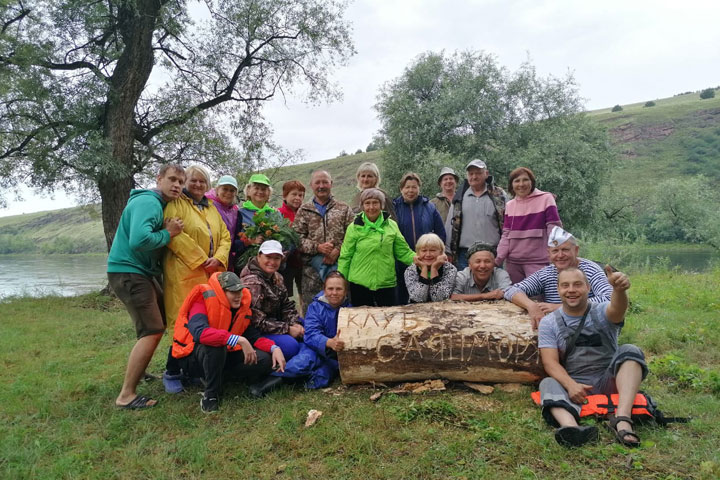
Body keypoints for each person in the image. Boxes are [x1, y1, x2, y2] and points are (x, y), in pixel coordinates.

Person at [538, 266, 646, 448]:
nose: (571, 290)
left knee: (631, 350)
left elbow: (617, 310)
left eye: (577, 284)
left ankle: (622, 420)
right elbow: (550, 362)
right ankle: (571, 428)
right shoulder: (549, 322)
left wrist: (619, 291)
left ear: (588, 288)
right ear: (558, 290)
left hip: (609, 380)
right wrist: (571, 386)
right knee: (547, 383)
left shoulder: (602, 311)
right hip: (576, 385)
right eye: (565, 285)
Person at [107, 164, 185, 409]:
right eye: (172, 179)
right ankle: (126, 396)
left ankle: (140, 372)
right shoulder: (149, 203)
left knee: (158, 320)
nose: (177, 186)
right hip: (130, 273)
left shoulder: (157, 203)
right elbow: (139, 240)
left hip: (140, 272)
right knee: (152, 329)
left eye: (181, 182)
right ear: (158, 178)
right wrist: (168, 233)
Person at [170, 271, 286, 412]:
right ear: (221, 291)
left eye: (239, 290)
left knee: (264, 359)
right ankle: (211, 394)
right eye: (232, 291)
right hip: (192, 356)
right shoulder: (201, 301)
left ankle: (219, 376)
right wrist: (237, 339)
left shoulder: (242, 309)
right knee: (216, 345)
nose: (238, 296)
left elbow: (253, 337)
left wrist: (274, 348)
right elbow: (200, 333)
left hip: (222, 355)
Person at [161, 165, 231, 393]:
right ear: (185, 182)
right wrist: (202, 259)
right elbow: (175, 235)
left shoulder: (211, 207)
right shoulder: (176, 204)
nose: (198, 185)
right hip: (184, 273)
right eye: (193, 181)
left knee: (203, 322)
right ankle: (172, 371)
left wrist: (219, 258)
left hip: (209, 274)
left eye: (203, 181)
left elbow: (225, 236)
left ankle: (190, 370)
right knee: (182, 322)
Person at [250, 271, 351, 397]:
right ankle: (265, 384)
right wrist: (328, 342)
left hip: (333, 355)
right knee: (300, 364)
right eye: (330, 289)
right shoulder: (315, 307)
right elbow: (311, 334)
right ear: (324, 290)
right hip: (314, 347)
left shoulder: (349, 310)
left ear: (345, 292)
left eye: (338, 289)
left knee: (322, 376)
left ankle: (296, 381)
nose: (334, 293)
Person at [504, 226, 612, 328]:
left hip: (589, 328)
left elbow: (608, 298)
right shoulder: (546, 273)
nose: (560, 255)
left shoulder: (590, 270)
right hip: (556, 329)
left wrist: (561, 307)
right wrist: (531, 306)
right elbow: (512, 290)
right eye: (555, 251)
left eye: (565, 250)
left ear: (576, 250)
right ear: (549, 254)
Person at [338, 188, 416, 306]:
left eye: (375, 203)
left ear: (382, 205)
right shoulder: (354, 227)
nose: (371, 207)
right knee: (362, 322)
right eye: (367, 203)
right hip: (359, 284)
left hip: (386, 283)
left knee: (388, 321)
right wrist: (341, 281)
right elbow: (345, 256)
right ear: (362, 206)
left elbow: (403, 253)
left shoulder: (392, 226)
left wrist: (422, 260)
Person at [293, 170, 355, 315]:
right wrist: (318, 248)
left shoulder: (344, 208)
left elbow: (354, 236)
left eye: (325, 182)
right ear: (311, 185)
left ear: (331, 184)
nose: (321, 186)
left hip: (340, 272)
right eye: (317, 182)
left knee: (343, 314)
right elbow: (296, 239)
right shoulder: (304, 210)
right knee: (313, 314)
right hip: (312, 274)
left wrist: (338, 250)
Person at [495, 167, 562, 283]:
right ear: (511, 185)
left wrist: (556, 253)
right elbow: (506, 235)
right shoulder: (510, 205)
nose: (521, 184)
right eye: (516, 181)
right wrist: (497, 259)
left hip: (538, 261)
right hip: (513, 263)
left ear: (532, 182)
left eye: (525, 180)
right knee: (515, 297)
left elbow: (554, 228)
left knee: (538, 298)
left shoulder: (546, 198)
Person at [240, 240, 304, 360]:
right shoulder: (252, 282)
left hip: (276, 322)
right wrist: (287, 329)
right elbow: (256, 321)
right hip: (257, 332)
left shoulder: (277, 276)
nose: (272, 262)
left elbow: (286, 305)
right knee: (291, 346)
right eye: (268, 257)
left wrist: (294, 322)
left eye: (277, 258)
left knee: (307, 327)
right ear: (259, 256)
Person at [392, 172, 446, 304]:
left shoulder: (429, 207)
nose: (410, 190)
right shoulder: (394, 208)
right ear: (401, 189)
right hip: (401, 261)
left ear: (419, 188)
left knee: (426, 296)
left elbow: (440, 233)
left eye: (414, 187)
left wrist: (437, 254)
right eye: (407, 187)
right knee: (402, 297)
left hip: (427, 259)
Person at [446, 159, 508, 270]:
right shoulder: (460, 197)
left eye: (478, 173)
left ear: (486, 174)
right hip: (464, 256)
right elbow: (449, 226)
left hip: (493, 254)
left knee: (495, 287)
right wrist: (448, 251)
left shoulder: (499, 195)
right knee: (465, 287)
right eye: (471, 174)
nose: (474, 177)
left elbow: (508, 225)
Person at [404, 233, 457, 303]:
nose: (428, 254)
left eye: (432, 250)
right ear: (418, 253)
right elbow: (418, 298)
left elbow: (440, 299)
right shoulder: (410, 270)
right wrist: (424, 269)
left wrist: (434, 269)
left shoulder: (450, 269)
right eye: (424, 250)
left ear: (441, 252)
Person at [205, 175, 240, 271]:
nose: (228, 193)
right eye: (225, 189)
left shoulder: (235, 210)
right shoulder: (208, 204)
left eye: (232, 190)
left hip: (226, 256)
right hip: (209, 256)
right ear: (217, 189)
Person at [278, 180, 306, 299]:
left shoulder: (305, 213)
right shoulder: (278, 214)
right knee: (286, 295)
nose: (297, 198)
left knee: (304, 294)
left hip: (304, 261)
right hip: (286, 262)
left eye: (300, 195)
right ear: (285, 195)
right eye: (294, 194)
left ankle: (304, 316)